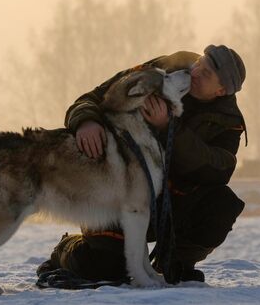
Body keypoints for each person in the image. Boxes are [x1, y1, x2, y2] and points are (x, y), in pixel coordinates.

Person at [37, 45, 247, 284]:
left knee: (223, 204)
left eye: (207, 73)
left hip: (172, 205)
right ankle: (66, 249)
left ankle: (176, 263)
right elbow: (93, 99)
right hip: (118, 194)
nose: (195, 72)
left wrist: (169, 128)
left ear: (221, 91)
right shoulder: (161, 71)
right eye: (200, 62)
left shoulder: (228, 121)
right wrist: (86, 121)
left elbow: (217, 170)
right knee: (106, 267)